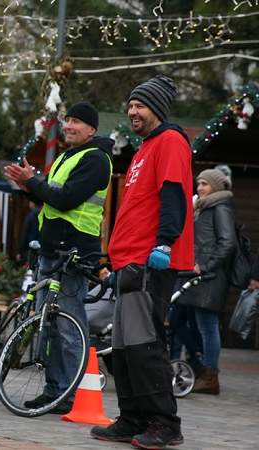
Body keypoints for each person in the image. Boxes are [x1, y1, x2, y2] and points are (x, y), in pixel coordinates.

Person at [91, 76, 194, 449]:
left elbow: (174, 197)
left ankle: (164, 423)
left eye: (140, 105)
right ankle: (132, 417)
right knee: (123, 348)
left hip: (150, 262)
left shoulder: (170, 142)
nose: (132, 111)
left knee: (145, 345)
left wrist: (164, 245)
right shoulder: (145, 148)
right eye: (131, 105)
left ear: (158, 109)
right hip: (129, 262)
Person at [4, 101, 114, 414]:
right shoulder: (68, 155)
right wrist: (27, 185)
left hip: (74, 252)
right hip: (52, 249)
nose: (68, 125)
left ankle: (67, 393)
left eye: (77, 121)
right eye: (67, 120)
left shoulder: (96, 159)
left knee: (67, 327)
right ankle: (53, 390)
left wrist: (33, 182)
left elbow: (65, 200)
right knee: (47, 326)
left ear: (92, 129)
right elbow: (48, 196)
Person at [174, 169, 234, 395]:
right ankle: (199, 361)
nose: (199, 188)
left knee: (207, 327)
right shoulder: (203, 207)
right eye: (198, 184)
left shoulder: (220, 209)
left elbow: (228, 242)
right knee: (177, 320)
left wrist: (206, 266)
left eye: (205, 184)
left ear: (216, 187)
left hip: (209, 276)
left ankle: (210, 376)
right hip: (195, 274)